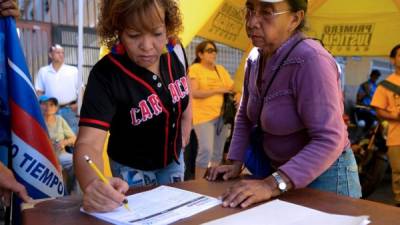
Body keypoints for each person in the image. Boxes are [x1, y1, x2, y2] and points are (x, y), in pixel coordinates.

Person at [205, 0, 361, 209]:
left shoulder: (311, 60)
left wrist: (271, 184)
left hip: (327, 179)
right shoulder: (255, 58)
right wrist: (235, 163)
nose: (252, 22)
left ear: (295, 19)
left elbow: (329, 138)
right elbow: (244, 114)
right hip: (283, 175)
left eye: (266, 12)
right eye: (250, 10)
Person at [74, 0, 192, 212]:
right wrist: (92, 184)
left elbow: (184, 87)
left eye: (157, 33)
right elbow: (88, 143)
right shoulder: (106, 75)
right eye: (134, 35)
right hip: (131, 170)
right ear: (118, 31)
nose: (147, 46)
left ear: (168, 27)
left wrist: (186, 119)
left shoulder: (176, 52)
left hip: (173, 159)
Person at [188, 40, 235, 168]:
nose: (213, 53)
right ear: (200, 54)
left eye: (215, 50)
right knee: (206, 151)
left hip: (222, 116)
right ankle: (198, 184)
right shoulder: (195, 69)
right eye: (209, 51)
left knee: (217, 154)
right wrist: (217, 90)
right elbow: (194, 92)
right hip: (203, 117)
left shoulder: (220, 69)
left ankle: (211, 180)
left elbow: (232, 87)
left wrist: (239, 94)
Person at [370, 44, 400, 207]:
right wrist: (395, 115)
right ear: (393, 60)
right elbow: (379, 111)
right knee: (398, 172)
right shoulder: (385, 86)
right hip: (396, 136)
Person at [34, 44, 79, 134]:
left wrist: (78, 104)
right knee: (52, 138)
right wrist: (45, 107)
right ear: (50, 55)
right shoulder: (43, 71)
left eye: (62, 53)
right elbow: (39, 92)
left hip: (69, 109)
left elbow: (81, 90)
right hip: (51, 111)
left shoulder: (73, 70)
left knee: (71, 138)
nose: (61, 55)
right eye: (58, 52)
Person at [39, 96, 76, 193]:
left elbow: (73, 138)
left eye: (52, 105)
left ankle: (69, 190)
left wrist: (63, 142)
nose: (48, 107)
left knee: (76, 161)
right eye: (45, 104)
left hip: (61, 154)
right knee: (56, 167)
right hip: (44, 156)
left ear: (56, 108)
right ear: (39, 106)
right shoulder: (37, 121)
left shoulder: (60, 119)